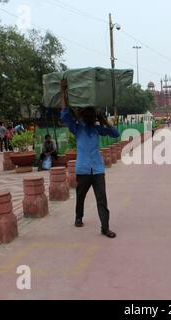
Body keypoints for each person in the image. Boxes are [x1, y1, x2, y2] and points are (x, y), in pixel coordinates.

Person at [60, 80, 120, 238]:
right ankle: (78, 217)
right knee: (81, 196)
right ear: (82, 116)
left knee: (102, 199)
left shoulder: (97, 129)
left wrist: (104, 120)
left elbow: (115, 134)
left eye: (92, 115)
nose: (89, 117)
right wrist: (63, 92)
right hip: (83, 170)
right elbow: (65, 114)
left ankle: (105, 228)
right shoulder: (77, 128)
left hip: (98, 169)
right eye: (88, 114)